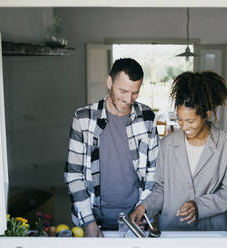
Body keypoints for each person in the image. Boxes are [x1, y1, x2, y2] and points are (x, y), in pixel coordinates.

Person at [130, 71, 227, 231]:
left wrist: (200, 206)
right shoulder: (167, 144)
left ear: (207, 114)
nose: (184, 126)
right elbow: (161, 188)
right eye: (180, 120)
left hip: (212, 231)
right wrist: (145, 207)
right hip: (173, 229)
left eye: (190, 121)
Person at [64, 58, 159, 237]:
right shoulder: (83, 118)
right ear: (109, 82)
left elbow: (153, 171)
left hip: (135, 220)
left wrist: (142, 209)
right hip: (91, 219)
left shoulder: (147, 117)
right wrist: (88, 221)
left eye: (135, 93)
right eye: (123, 91)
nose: (128, 99)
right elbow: (73, 174)